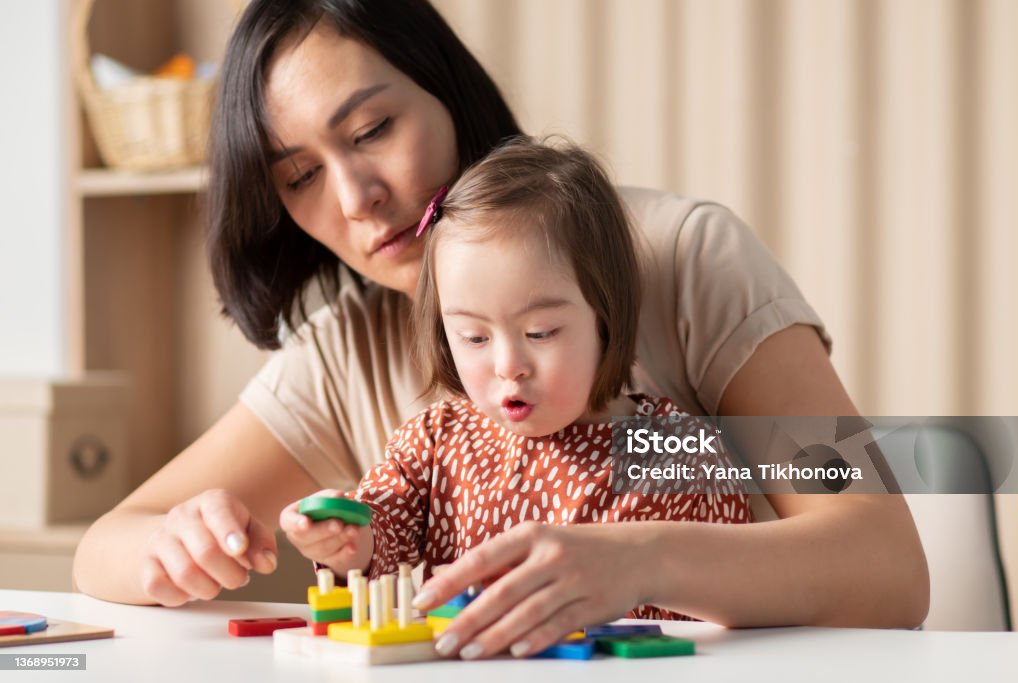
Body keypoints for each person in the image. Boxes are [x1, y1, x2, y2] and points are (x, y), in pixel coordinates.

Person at [72, 0, 928, 660]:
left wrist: (641, 563)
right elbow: (104, 546)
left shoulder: (680, 257)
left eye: (373, 130)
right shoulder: (346, 346)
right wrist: (176, 542)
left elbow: (886, 569)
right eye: (298, 177)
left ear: (447, 89)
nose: (354, 196)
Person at [278, 138, 752, 657]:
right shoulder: (435, 442)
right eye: (475, 338)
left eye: (542, 332)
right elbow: (383, 523)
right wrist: (347, 541)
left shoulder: (675, 449)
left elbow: (720, 609)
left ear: (605, 317)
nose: (508, 366)